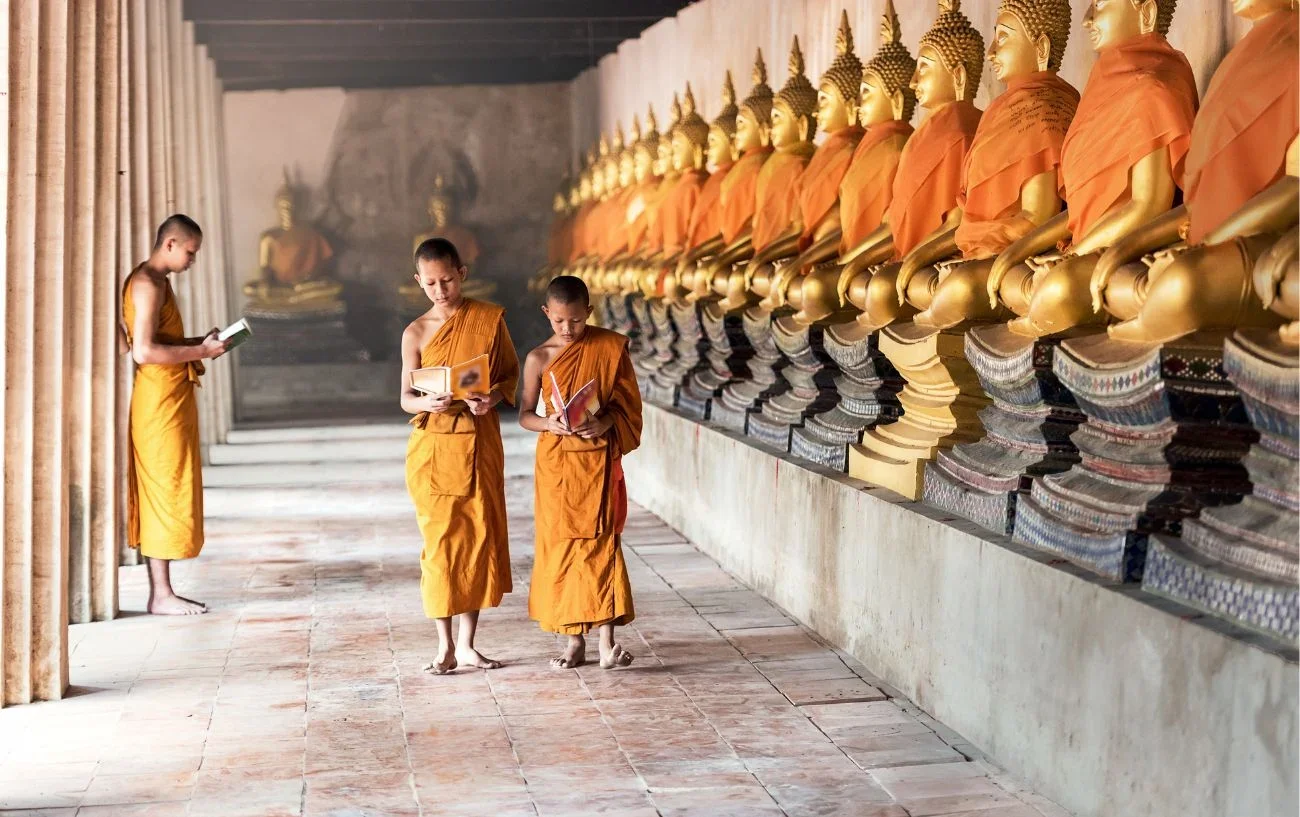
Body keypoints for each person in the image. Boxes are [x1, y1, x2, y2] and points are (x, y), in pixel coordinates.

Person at [401, 237, 518, 674]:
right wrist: (427, 403)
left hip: (479, 440)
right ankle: (443, 646)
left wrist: (491, 398)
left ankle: (468, 645)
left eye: (447, 280)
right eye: (430, 283)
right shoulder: (415, 332)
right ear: (418, 281)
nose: (440, 290)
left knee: (475, 540)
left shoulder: (488, 320)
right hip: (435, 450)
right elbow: (406, 398)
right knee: (440, 546)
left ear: (462, 274)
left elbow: (508, 375)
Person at [519, 275, 643, 669]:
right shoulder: (539, 357)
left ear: (589, 312)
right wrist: (549, 423)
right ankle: (574, 641)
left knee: (601, 544)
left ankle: (607, 643)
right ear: (546, 314)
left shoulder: (609, 347)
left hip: (596, 460)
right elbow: (524, 415)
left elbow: (628, 407)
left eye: (575, 320)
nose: (568, 329)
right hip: (557, 464)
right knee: (561, 549)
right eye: (559, 322)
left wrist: (605, 422)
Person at [123, 214, 229, 615]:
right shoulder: (148, 283)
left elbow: (160, 341)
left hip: (168, 396)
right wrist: (201, 352)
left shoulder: (157, 281)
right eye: (190, 252)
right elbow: (145, 351)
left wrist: (200, 342)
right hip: (157, 401)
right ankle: (161, 593)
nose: (192, 260)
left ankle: (163, 591)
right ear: (170, 243)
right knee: (163, 489)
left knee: (171, 485)